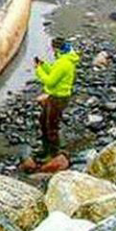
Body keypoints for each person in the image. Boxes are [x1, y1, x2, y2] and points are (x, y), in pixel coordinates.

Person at [21, 37, 80, 173]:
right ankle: (45, 148)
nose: (52, 51)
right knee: (43, 120)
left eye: (52, 48)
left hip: (58, 98)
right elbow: (53, 71)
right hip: (53, 96)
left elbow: (50, 81)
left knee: (51, 125)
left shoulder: (64, 63)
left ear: (56, 48)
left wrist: (38, 70)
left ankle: (53, 153)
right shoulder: (63, 59)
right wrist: (43, 65)